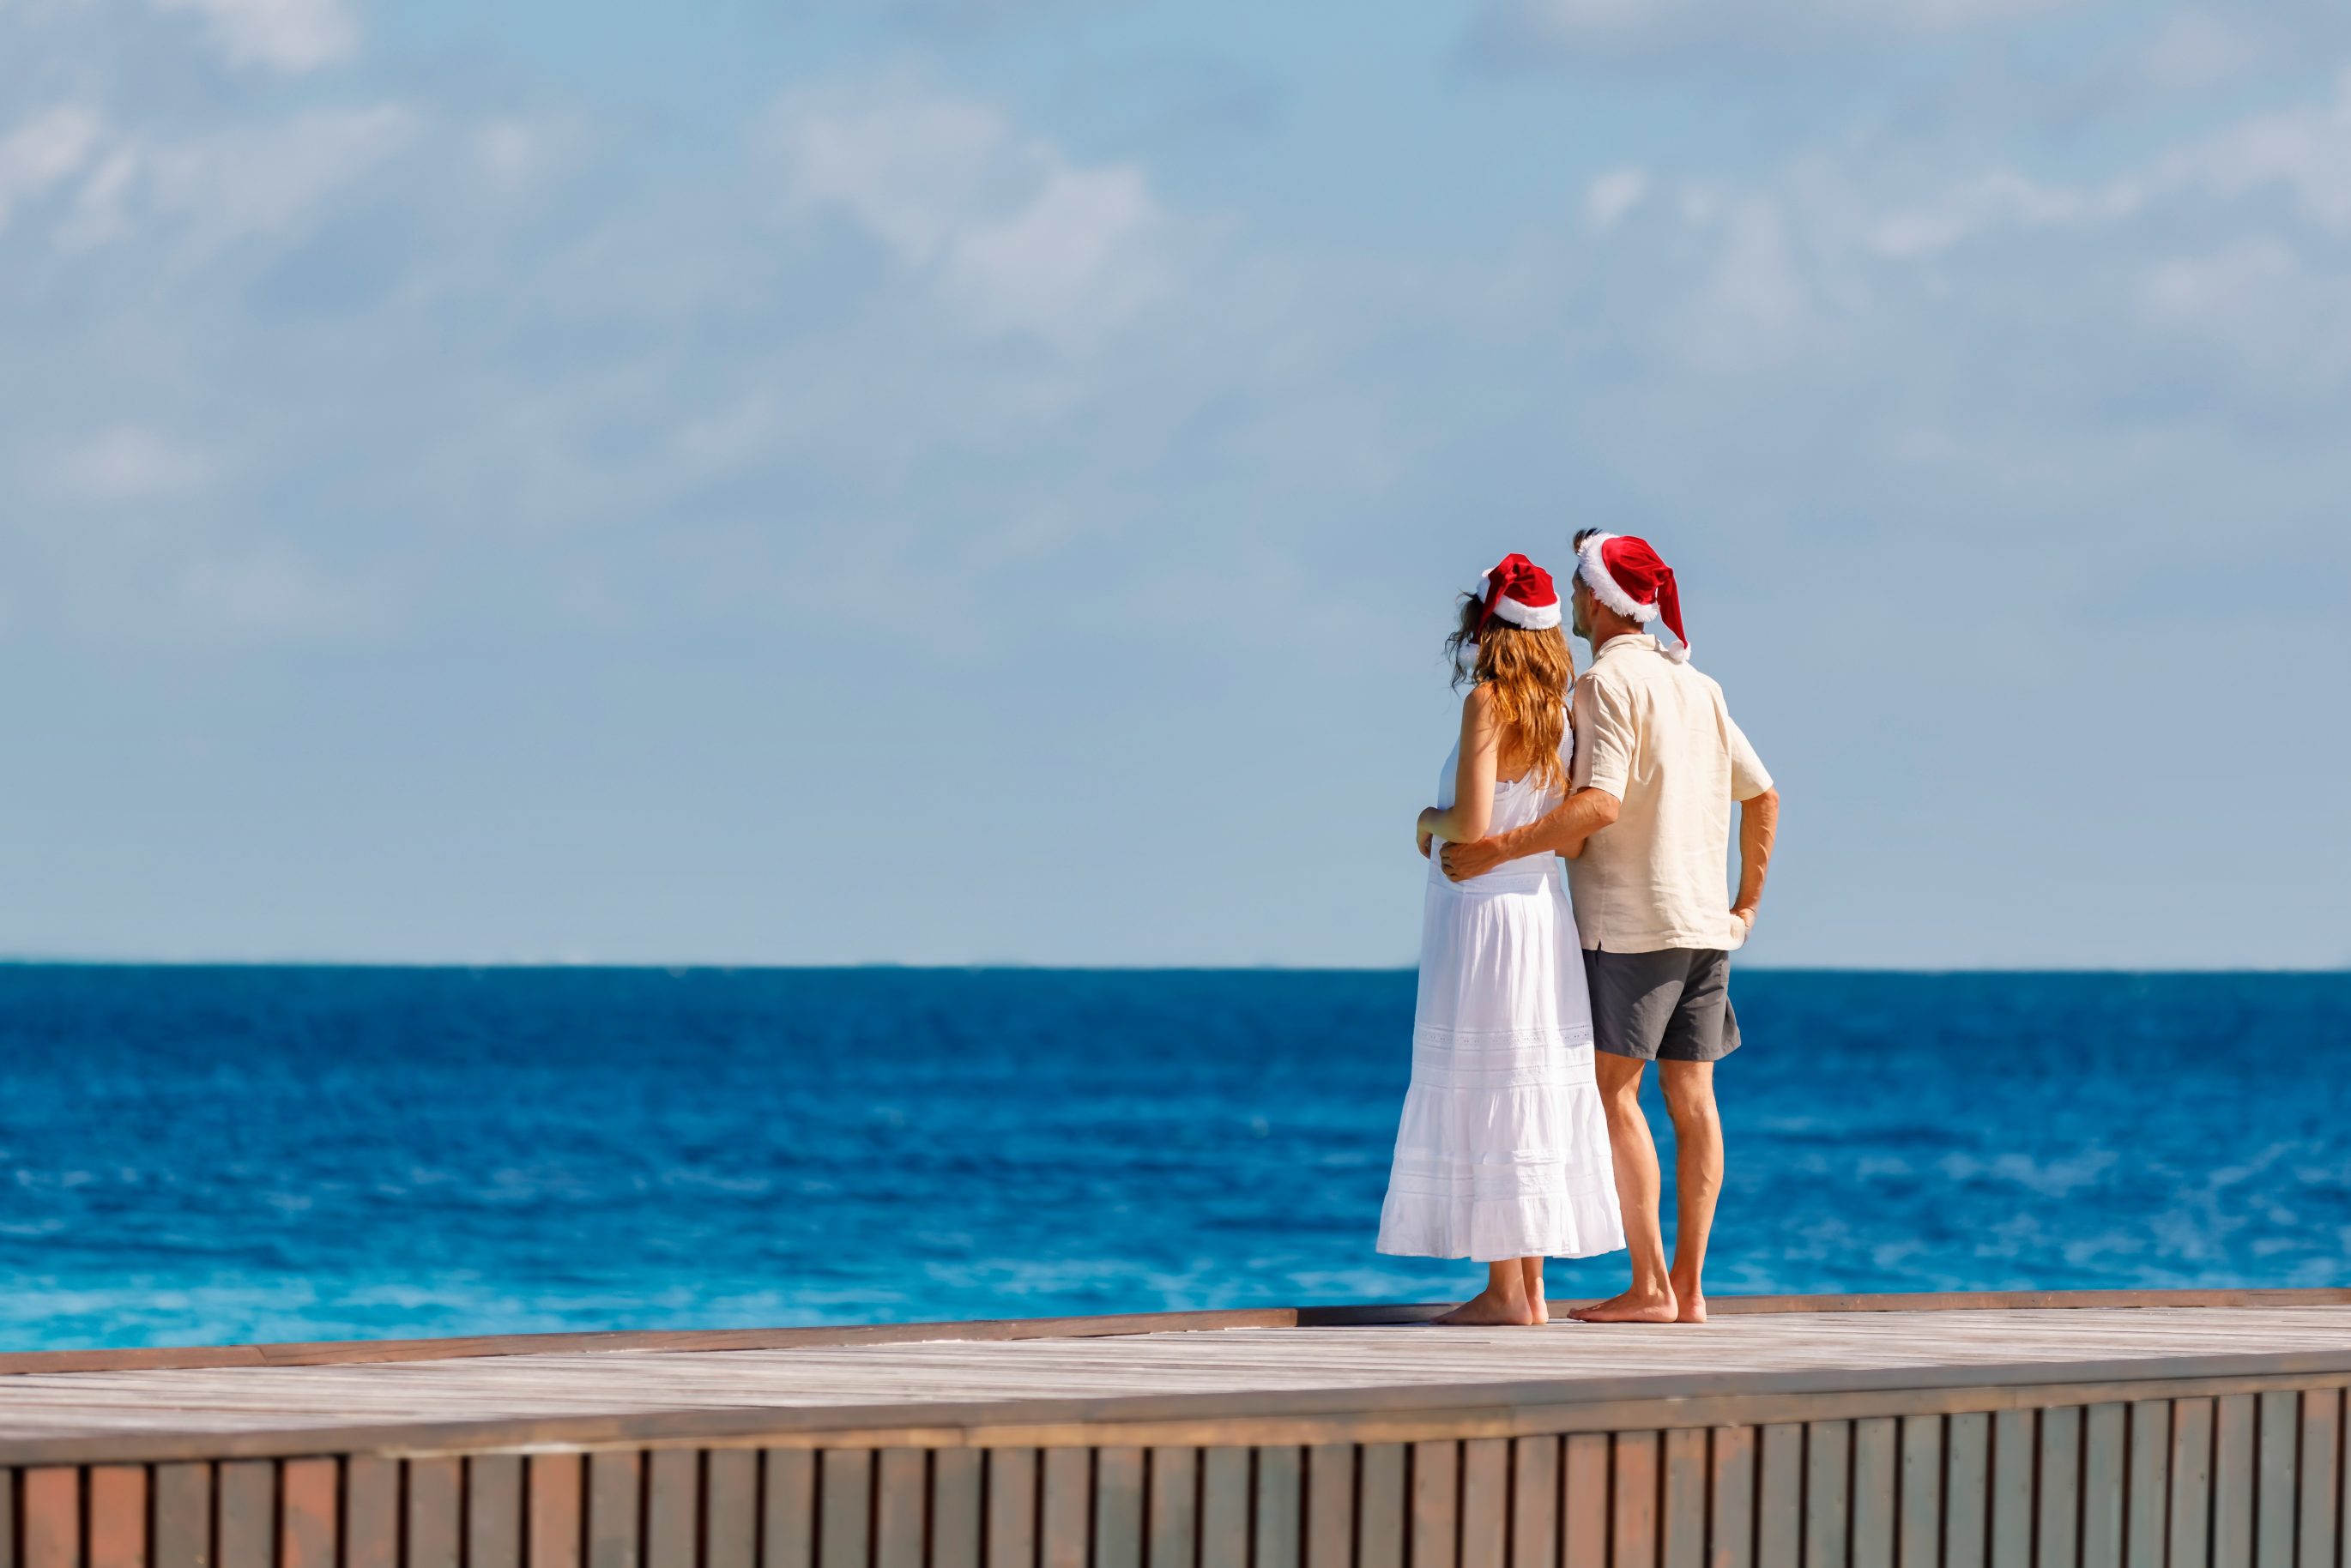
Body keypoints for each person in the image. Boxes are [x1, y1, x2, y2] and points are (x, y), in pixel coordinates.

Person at [1441, 532, 1778, 1325]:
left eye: (1577, 587)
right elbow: (1762, 794)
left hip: (1632, 924)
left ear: (1596, 599)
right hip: (1704, 924)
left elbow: (1600, 803)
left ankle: (1651, 1286)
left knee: (1614, 1095)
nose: (1573, 601)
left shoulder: (1602, 686)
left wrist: (1494, 849)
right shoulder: (1699, 686)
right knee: (1693, 1101)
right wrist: (1745, 907)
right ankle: (1689, 1291)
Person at [1377, 552, 1625, 1327]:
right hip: (1540, 914)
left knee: (1489, 1085)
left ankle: (1504, 1292)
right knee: (1526, 1086)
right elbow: (1570, 839)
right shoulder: (1560, 714)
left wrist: (1426, 821)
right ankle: (1529, 1288)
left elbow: (1471, 822)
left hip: (1483, 920)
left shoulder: (1488, 703)